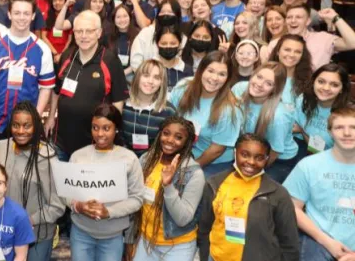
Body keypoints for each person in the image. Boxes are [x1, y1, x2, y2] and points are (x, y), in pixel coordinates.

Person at [198, 134, 300, 261]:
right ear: (235, 153)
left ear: (267, 159)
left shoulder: (278, 194)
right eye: (245, 155)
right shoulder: (214, 184)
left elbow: (290, 244)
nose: (251, 162)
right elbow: (204, 228)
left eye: (259, 158)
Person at [0, 0, 55, 143]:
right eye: (17, 13)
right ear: (9, 14)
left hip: (24, 124)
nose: (21, 17)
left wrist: (35, 116)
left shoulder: (42, 49)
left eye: (26, 13)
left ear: (33, 16)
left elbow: (46, 88)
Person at [67, 103, 145, 261]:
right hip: (81, 232)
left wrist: (109, 212)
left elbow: (137, 198)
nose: (99, 133)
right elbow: (66, 192)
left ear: (116, 129)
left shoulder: (129, 159)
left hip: (113, 236)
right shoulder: (78, 156)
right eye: (95, 128)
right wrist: (78, 206)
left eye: (106, 128)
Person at [45, 10, 127, 159]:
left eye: (89, 31)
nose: (83, 36)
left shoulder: (110, 61)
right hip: (61, 142)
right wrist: (51, 117)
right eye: (79, 31)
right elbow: (56, 91)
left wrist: (110, 134)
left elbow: (118, 101)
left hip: (94, 146)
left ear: (99, 33)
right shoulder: (66, 56)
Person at [0, 101, 65, 261]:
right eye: (16, 125)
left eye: (27, 126)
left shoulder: (47, 157)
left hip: (36, 235)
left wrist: (28, 219)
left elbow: (57, 206)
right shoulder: (0, 147)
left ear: (36, 127)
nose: (20, 131)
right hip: (4, 231)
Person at [284, 107, 355, 261]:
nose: (347, 133)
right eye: (339, 127)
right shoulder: (309, 165)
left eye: (353, 127)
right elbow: (291, 207)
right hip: (319, 240)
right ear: (330, 132)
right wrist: (326, 241)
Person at [130, 116, 203, 261]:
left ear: (186, 142)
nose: (169, 140)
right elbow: (135, 202)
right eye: (166, 133)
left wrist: (168, 186)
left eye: (178, 137)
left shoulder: (193, 173)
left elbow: (183, 219)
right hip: (146, 240)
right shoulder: (146, 160)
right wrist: (131, 239)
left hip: (177, 246)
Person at [169, 51, 242, 177]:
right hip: (181, 151)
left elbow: (217, 149)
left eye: (222, 74)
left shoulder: (230, 110)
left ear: (228, 79)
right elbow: (169, 120)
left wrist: (189, 169)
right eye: (210, 71)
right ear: (201, 70)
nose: (214, 78)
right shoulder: (183, 87)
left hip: (212, 162)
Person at [231, 62, 298, 183]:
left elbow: (275, 151)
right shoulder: (239, 88)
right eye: (259, 77)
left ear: (275, 89)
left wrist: (252, 173)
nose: (259, 84)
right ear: (253, 74)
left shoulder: (278, 116)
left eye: (269, 83)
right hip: (248, 149)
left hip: (278, 160)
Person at [267, 5, 355, 70]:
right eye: (289, 17)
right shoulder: (275, 43)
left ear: (308, 21)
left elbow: (352, 43)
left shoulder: (323, 38)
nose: (293, 21)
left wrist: (335, 18)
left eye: (298, 17)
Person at [294, 64, 351, 156]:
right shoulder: (303, 100)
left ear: (342, 89)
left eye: (334, 85)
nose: (326, 88)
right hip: (299, 145)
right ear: (313, 82)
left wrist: (302, 131)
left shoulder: (347, 117)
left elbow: (322, 151)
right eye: (321, 82)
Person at [130, 0, 185, 71]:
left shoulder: (182, 36)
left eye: (170, 12)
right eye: (162, 12)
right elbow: (136, 61)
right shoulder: (146, 32)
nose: (166, 14)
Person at [268, 34, 312, 109]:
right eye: (287, 50)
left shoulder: (309, 83)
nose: (292, 55)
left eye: (297, 52)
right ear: (278, 51)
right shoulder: (265, 77)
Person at [154, 27, 193, 91]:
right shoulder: (149, 68)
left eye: (173, 43)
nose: (168, 46)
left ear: (180, 45)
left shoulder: (187, 70)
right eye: (164, 43)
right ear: (157, 45)